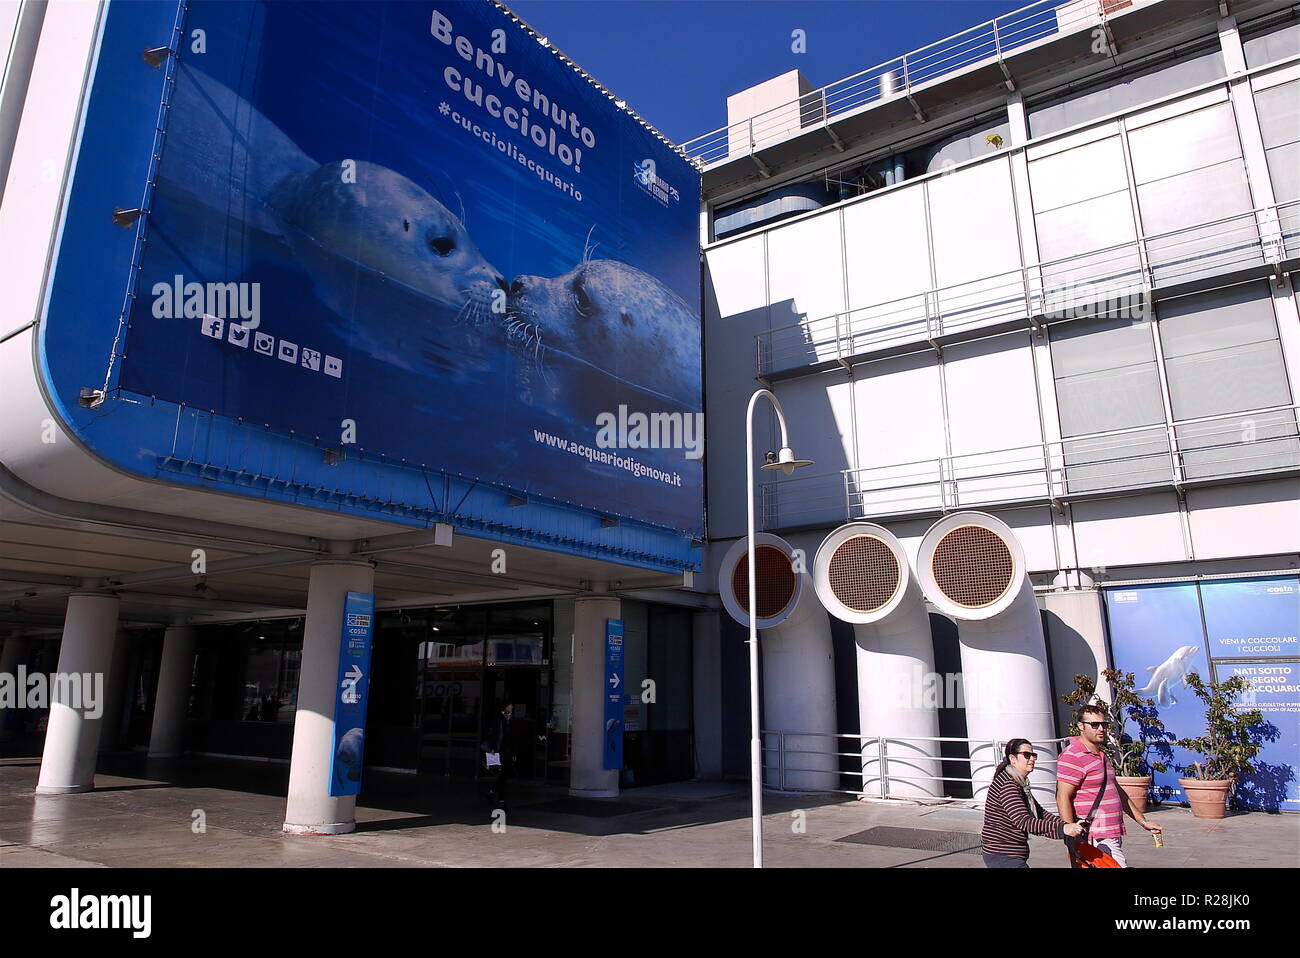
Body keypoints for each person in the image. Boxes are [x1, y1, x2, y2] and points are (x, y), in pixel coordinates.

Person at [1057, 704, 1163, 868]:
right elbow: (1062, 795)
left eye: (1103, 724)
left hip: (1110, 833)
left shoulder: (1101, 754)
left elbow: (1117, 791)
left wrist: (1143, 821)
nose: (1101, 729)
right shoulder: (1072, 756)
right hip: (1094, 835)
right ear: (1080, 726)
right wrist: (1069, 830)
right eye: (1094, 725)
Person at [982, 738, 1084, 867]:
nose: (1032, 759)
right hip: (1002, 854)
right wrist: (1063, 829)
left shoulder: (1019, 783)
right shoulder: (1008, 785)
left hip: (1009, 854)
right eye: (1026, 755)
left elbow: (1039, 813)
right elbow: (1024, 821)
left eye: (1033, 755)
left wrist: (1068, 826)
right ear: (1013, 759)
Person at [487, 702, 514, 808]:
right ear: (505, 707)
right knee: (503, 773)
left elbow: (511, 735)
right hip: (499, 749)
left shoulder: (511, 718)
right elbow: (495, 734)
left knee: (505, 774)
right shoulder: (499, 718)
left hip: (507, 750)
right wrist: (493, 748)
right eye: (510, 705)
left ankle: (492, 791)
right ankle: (501, 800)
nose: (512, 707)